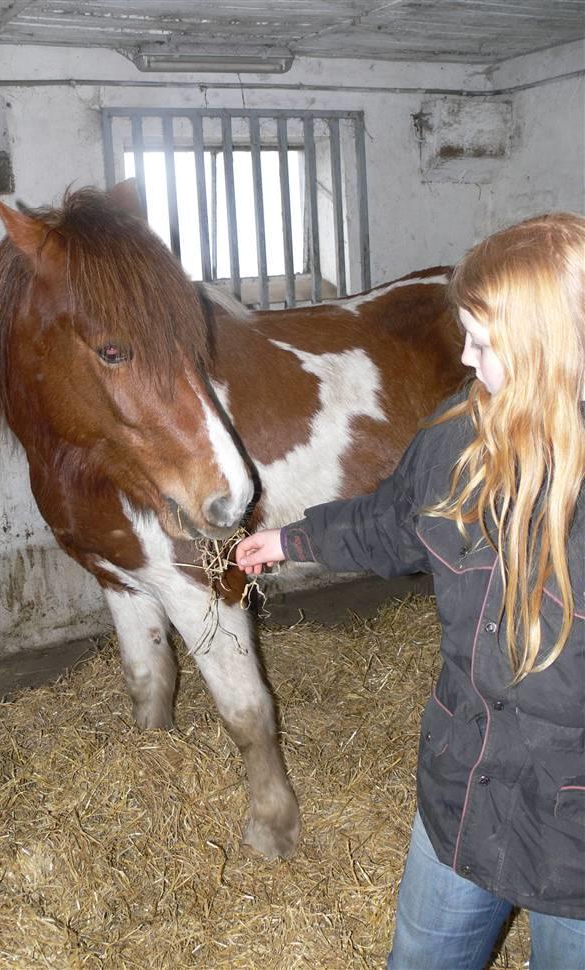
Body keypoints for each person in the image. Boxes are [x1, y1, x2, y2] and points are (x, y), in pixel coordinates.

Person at [236, 213, 585, 970]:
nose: (464, 356)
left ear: (551, 345)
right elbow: (395, 521)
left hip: (576, 824)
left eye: (485, 343)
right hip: (463, 785)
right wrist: (293, 539)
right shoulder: (460, 432)